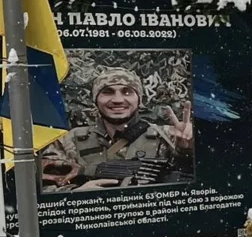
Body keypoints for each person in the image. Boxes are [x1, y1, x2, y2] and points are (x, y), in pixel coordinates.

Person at [45, 68, 194, 191]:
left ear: (139, 99)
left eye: (127, 92)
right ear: (96, 100)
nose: (117, 100)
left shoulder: (169, 136)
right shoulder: (69, 140)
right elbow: (41, 187)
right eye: (107, 92)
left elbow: (199, 183)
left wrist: (187, 151)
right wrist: (76, 194)